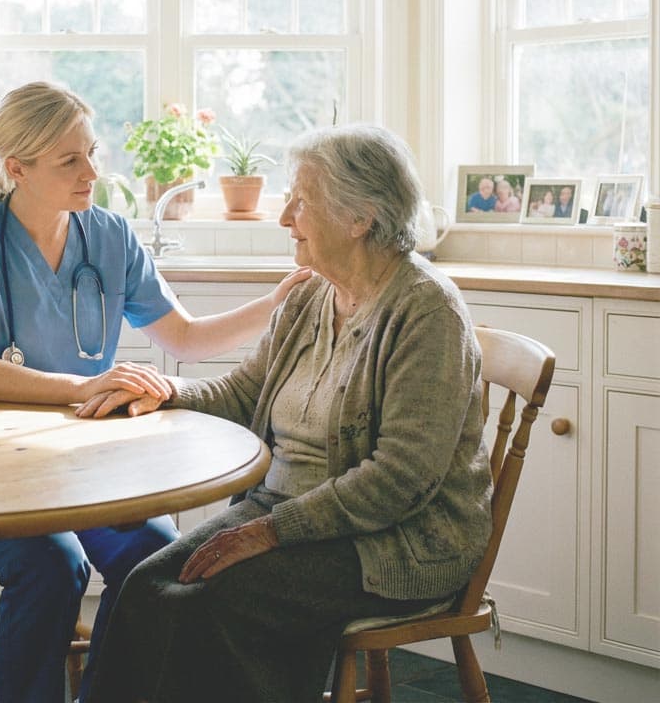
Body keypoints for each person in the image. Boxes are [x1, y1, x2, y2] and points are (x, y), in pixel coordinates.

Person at [0, 81, 309, 703]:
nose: (92, 172)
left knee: (155, 559)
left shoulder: (108, 235)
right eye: (69, 160)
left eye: (92, 153)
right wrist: (87, 384)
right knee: (53, 565)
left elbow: (181, 336)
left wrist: (272, 305)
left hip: (82, 468)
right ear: (16, 168)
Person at [80, 123, 493, 703]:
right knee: (145, 585)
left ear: (359, 218)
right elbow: (247, 392)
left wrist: (271, 532)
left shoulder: (428, 314)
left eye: (301, 201)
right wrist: (167, 391)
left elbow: (399, 480)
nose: (285, 217)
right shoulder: (309, 294)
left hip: (396, 540)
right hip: (283, 508)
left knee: (214, 602)